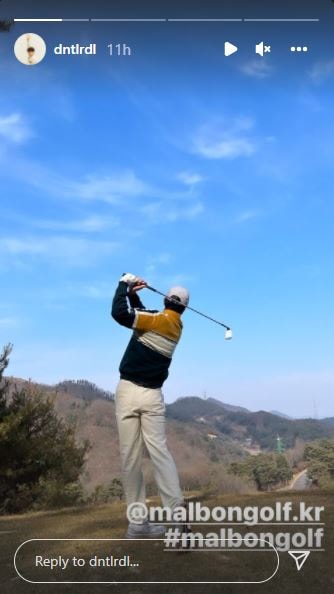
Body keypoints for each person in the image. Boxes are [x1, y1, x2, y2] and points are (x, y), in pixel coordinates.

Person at [111, 272, 189, 538]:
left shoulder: (157, 319)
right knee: (160, 455)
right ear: (183, 308)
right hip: (153, 396)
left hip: (127, 391)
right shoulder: (175, 326)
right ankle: (177, 520)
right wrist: (134, 295)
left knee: (130, 459)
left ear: (167, 299)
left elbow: (120, 315)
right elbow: (145, 319)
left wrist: (124, 284)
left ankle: (137, 525)